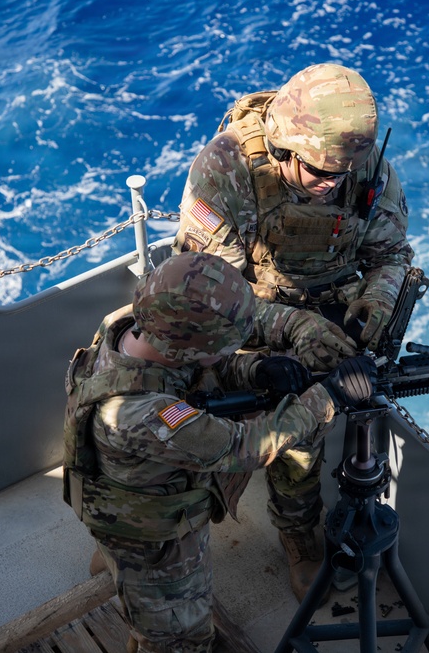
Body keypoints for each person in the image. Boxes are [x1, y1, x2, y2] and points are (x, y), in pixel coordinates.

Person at [171, 63, 413, 595]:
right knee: (183, 409)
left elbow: (391, 253)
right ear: (283, 148)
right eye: (319, 173)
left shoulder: (362, 167)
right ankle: (155, 532)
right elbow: (206, 288)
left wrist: (375, 297)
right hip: (237, 308)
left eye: (341, 175)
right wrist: (291, 326)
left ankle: (296, 529)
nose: (332, 186)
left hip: (323, 309)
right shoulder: (226, 171)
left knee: (303, 432)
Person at [63, 251, 377, 653]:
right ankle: (141, 597)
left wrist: (257, 370)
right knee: (181, 638)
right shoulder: (140, 415)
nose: (232, 353)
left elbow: (190, 375)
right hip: (154, 535)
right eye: (225, 347)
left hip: (126, 488)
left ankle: (116, 567)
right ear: (186, 349)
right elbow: (244, 447)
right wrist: (328, 396)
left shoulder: (129, 325)